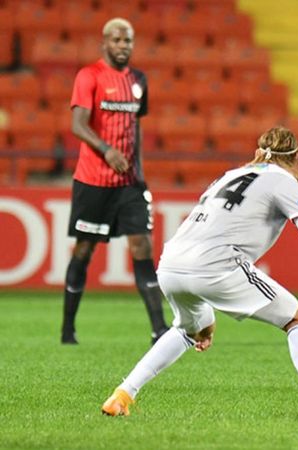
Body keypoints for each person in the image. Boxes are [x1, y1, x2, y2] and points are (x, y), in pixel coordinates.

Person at [101, 126, 298, 420]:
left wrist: (204, 318)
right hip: (217, 263)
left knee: (188, 329)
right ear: (294, 156)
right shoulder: (285, 181)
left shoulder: (230, 175)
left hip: (171, 263)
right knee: (297, 318)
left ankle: (122, 395)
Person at [62, 18, 169, 345]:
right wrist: (107, 151)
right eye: (118, 40)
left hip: (129, 184)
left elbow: (135, 126)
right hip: (94, 182)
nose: (124, 46)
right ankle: (68, 328)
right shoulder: (89, 76)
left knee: (143, 245)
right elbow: (78, 125)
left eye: (129, 41)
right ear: (104, 43)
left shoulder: (139, 80)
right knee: (84, 249)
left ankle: (159, 330)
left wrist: (138, 171)